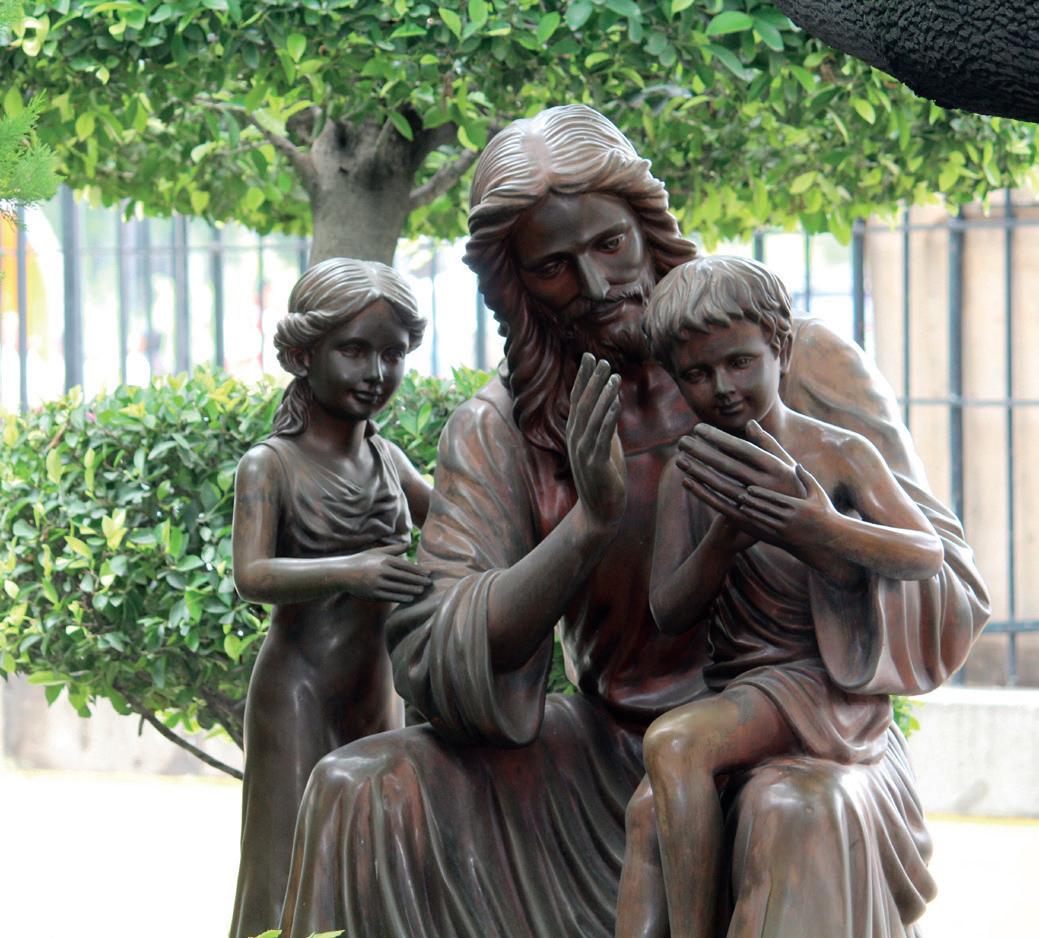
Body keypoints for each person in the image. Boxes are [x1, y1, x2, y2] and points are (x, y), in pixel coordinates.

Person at [278, 105, 989, 938]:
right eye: (552, 266)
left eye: (609, 243)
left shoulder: (797, 362)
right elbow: (438, 653)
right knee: (362, 787)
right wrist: (586, 527)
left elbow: (949, 591)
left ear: (648, 227)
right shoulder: (502, 427)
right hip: (605, 751)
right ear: (516, 284)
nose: (593, 283)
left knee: (793, 811)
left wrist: (818, 535)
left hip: (806, 740)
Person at [617, 255, 945, 938]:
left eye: (739, 362)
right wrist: (721, 541)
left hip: (821, 688)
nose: (722, 388)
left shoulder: (839, 453)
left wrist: (820, 527)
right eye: (696, 374)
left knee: (674, 744)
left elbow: (924, 552)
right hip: (744, 688)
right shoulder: (690, 472)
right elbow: (669, 611)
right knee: (648, 810)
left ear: (781, 349)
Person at [228, 258, 432, 938]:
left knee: (373, 857)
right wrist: (351, 571)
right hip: (299, 692)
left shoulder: (389, 460)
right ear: (301, 355)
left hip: (375, 689)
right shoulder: (270, 465)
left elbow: (457, 520)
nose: (376, 372)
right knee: (287, 867)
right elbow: (252, 575)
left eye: (392, 354)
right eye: (354, 350)